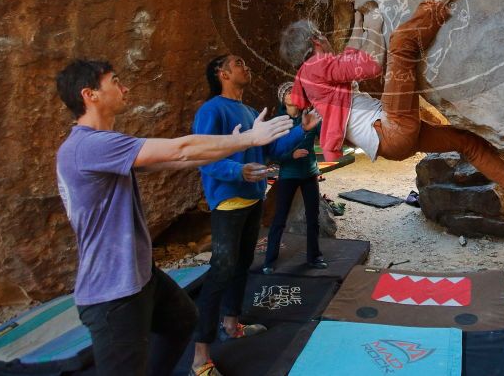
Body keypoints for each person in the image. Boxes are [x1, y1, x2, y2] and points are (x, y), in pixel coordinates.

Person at [55, 59, 293, 376]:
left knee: (183, 320)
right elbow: (180, 150)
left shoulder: (104, 146)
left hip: (140, 277)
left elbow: (180, 159)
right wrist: (248, 139)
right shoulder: (88, 146)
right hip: (111, 293)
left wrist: (228, 145)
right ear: (90, 94)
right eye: (115, 81)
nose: (125, 87)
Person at [279, 0, 504, 205]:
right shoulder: (315, 68)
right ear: (316, 42)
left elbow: (350, 55)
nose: (328, 41)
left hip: (393, 144)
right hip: (391, 129)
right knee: (400, 44)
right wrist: (374, 24)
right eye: (323, 38)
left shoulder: (312, 78)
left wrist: (359, 21)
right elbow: (371, 64)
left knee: (466, 142)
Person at [190, 55, 319, 376]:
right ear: (222, 73)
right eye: (237, 63)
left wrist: (301, 129)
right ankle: (199, 358)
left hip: (252, 201)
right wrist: (238, 169)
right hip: (228, 204)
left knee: (241, 266)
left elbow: (271, 151)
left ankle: (231, 324)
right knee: (220, 273)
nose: (245, 66)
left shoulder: (250, 112)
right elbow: (202, 157)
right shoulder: (212, 110)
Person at [262, 81, 326, 275]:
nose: (292, 93)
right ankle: (269, 261)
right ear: (282, 98)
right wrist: (291, 155)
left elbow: (326, 136)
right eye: (288, 91)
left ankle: (314, 257)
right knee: (280, 218)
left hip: (309, 173)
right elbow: (272, 154)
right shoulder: (278, 121)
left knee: (313, 217)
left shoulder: (309, 116)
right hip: (288, 175)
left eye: (295, 90)